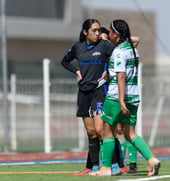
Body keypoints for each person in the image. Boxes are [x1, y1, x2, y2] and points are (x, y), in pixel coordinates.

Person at [89, 19, 161, 176]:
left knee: (107, 130)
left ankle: (106, 168)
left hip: (116, 97)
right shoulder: (133, 50)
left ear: (115, 33)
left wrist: (121, 100)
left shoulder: (119, 52)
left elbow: (121, 76)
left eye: (110, 31)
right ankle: (151, 159)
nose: (108, 34)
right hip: (134, 97)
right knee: (130, 133)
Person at [61, 18, 114, 175]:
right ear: (85, 32)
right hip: (84, 92)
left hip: (99, 91)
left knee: (100, 129)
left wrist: (108, 72)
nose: (98, 33)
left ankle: (110, 165)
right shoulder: (78, 47)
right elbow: (65, 61)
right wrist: (76, 71)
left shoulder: (104, 46)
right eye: (94, 30)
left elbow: (117, 57)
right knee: (90, 132)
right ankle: (95, 167)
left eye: (99, 30)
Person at [101, 26, 139, 174]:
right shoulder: (111, 50)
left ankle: (129, 163)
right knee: (120, 131)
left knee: (122, 131)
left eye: (107, 34)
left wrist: (111, 40)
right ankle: (122, 163)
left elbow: (137, 39)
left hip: (119, 94)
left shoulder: (119, 50)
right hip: (113, 91)